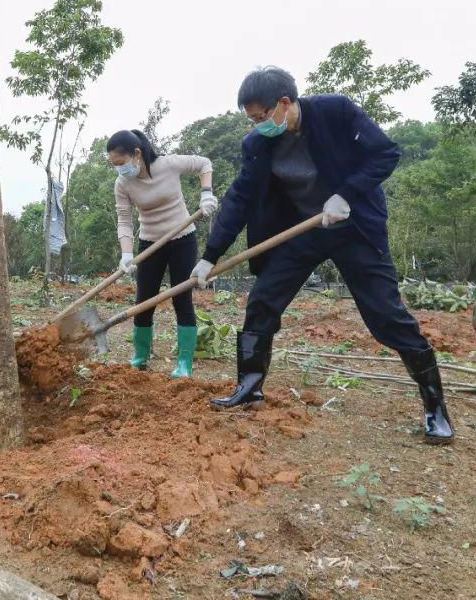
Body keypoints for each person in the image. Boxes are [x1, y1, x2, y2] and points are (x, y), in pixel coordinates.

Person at [191, 66, 453, 444]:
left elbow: (385, 153)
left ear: (285, 102)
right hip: (303, 231)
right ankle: (250, 386)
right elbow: (240, 198)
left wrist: (346, 193)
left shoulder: (336, 112)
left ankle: (435, 406)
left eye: (261, 117)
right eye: (251, 120)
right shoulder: (257, 145)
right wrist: (209, 255)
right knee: (263, 299)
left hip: (354, 229)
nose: (258, 126)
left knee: (385, 314)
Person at [107, 129, 217, 377]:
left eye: (121, 163)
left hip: (182, 239)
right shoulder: (123, 183)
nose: (119, 169)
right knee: (144, 301)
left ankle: (184, 364)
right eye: (114, 165)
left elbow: (204, 164)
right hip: (150, 244)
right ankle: (140, 357)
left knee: (181, 299)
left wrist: (206, 193)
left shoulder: (168, 164)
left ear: (136, 153)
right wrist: (126, 255)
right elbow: (124, 221)